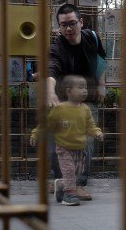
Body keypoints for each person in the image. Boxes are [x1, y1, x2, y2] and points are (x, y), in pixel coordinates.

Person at [47, 3, 107, 200]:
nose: (68, 29)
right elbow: (51, 70)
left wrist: (101, 84)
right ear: (58, 26)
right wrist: (50, 92)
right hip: (63, 101)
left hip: (87, 99)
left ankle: (79, 184)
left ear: (81, 22)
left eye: (72, 23)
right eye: (63, 25)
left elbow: (101, 60)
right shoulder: (57, 46)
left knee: (85, 142)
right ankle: (61, 180)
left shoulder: (92, 37)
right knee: (60, 142)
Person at [31, 75, 104, 206]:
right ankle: (69, 195)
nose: (85, 91)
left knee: (76, 173)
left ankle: (61, 186)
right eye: (80, 87)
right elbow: (46, 124)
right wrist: (35, 134)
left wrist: (97, 132)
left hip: (80, 149)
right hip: (64, 148)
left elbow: (90, 126)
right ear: (68, 91)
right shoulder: (59, 109)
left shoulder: (85, 109)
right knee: (69, 170)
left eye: (85, 88)